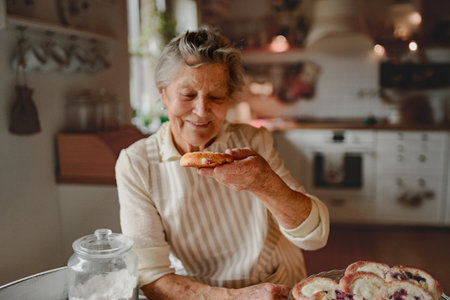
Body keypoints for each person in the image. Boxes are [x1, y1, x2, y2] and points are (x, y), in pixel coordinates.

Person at [116, 27, 330, 300]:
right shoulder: (137, 164)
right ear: (163, 94)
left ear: (229, 99)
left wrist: (265, 183)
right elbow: (151, 276)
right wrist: (238, 297)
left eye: (216, 97)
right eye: (187, 95)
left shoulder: (254, 142)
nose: (202, 111)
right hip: (198, 293)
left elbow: (315, 236)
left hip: (276, 284)